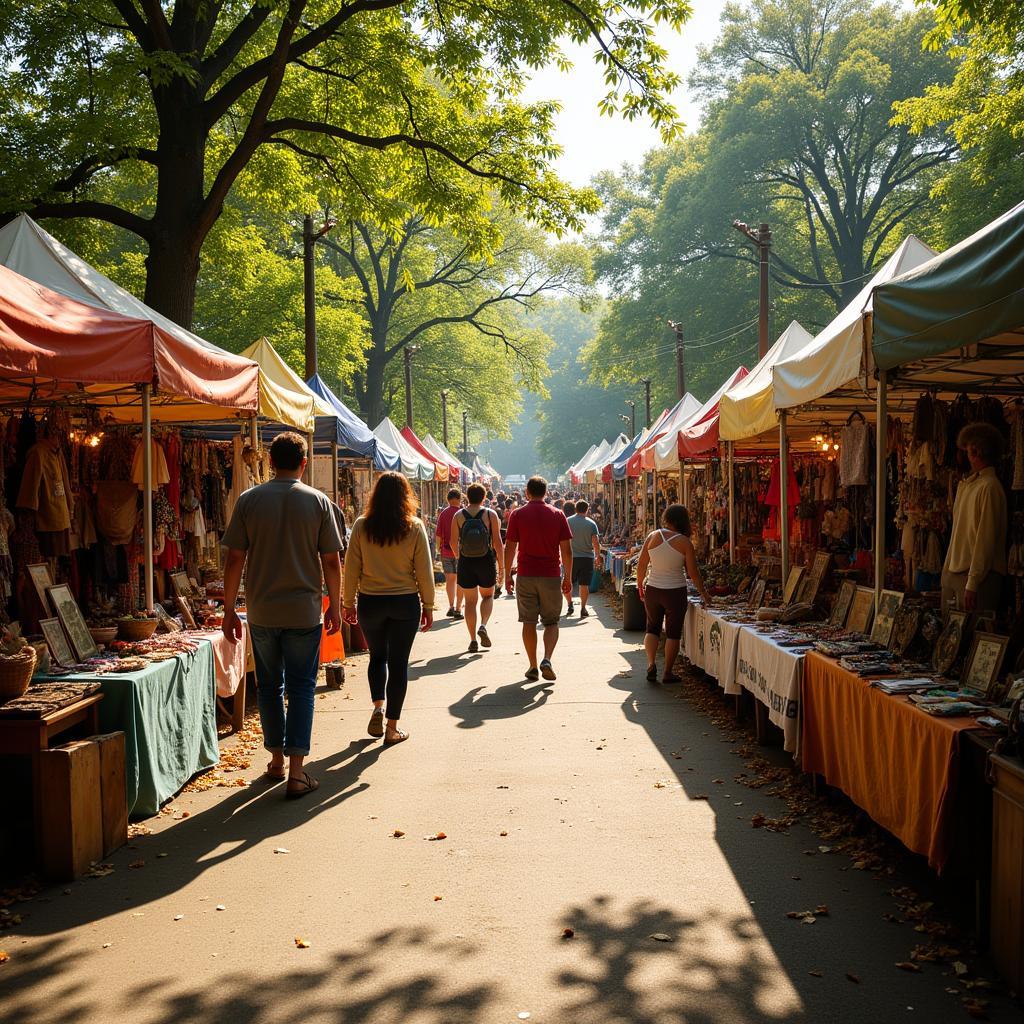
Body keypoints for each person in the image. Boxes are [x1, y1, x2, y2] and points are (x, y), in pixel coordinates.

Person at [221, 432, 343, 799]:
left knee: (270, 686)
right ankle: (296, 771)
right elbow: (331, 562)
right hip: (304, 611)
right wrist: (334, 605)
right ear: (304, 462)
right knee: (302, 687)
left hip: (262, 610)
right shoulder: (319, 502)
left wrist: (229, 609)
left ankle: (275, 760)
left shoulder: (249, 501)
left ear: (270, 462)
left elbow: (234, 558)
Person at [343, 472, 434, 746]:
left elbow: (351, 568)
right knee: (398, 664)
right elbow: (424, 572)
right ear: (406, 496)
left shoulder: (361, 526)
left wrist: (348, 602)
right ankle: (392, 727)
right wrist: (428, 605)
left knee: (376, 657)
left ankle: (378, 707)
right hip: (405, 602)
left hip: (371, 601)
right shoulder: (414, 527)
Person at [504, 476, 573, 681]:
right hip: (551, 574)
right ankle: (547, 659)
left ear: (527, 492)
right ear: (546, 492)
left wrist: (507, 574)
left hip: (525, 574)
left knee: (528, 621)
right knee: (551, 622)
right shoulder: (558, 514)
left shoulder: (517, 514)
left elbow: (510, 547)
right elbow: (567, 551)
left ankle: (533, 665)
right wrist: (567, 577)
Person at [636, 504, 710, 685]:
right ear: (683, 521)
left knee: (652, 628)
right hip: (675, 592)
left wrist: (640, 584)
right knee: (673, 633)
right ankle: (667, 672)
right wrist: (703, 593)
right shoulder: (684, 542)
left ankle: (651, 663)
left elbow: (642, 564)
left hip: (653, 588)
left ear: (667, 518)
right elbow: (693, 573)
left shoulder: (652, 536)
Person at [942, 423, 1008, 614]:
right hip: (958, 572)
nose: (962, 455)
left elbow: (985, 539)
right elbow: (958, 533)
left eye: (966, 449)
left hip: (977, 577)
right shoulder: (969, 485)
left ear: (975, 451)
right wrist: (947, 572)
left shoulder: (989, 487)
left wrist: (973, 582)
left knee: (969, 635)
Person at [451, 483, 504, 652]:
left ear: (467, 496)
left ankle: (473, 639)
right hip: (485, 560)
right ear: (484, 496)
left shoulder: (458, 515)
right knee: (488, 597)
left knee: (470, 601)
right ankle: (483, 625)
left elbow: (452, 542)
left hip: (466, 561)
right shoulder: (490, 514)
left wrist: (460, 557)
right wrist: (502, 567)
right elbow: (497, 542)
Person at [566, 499, 601, 618]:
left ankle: (570, 603)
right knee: (584, 584)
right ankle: (583, 608)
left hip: (570, 558)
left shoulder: (568, 521)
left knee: (568, 582)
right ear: (587, 510)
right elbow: (596, 542)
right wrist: (597, 557)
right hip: (587, 558)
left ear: (576, 509)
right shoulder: (591, 523)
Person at [435, 488, 465, 620]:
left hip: (446, 551)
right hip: (461, 552)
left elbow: (438, 535)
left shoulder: (443, 514)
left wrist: (437, 549)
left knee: (450, 580)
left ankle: (451, 606)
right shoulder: (463, 513)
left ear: (448, 499)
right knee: (461, 581)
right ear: (459, 499)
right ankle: (459, 608)